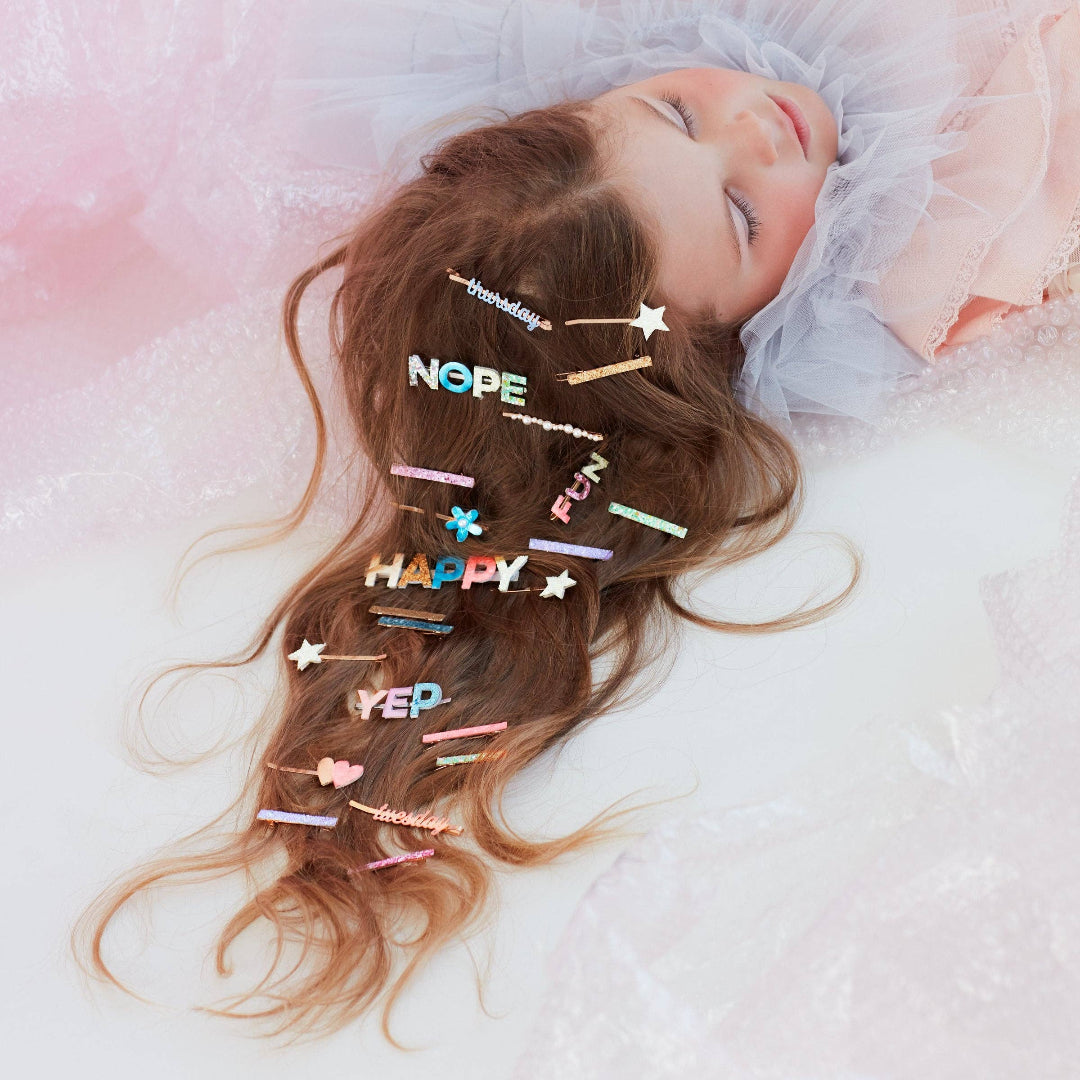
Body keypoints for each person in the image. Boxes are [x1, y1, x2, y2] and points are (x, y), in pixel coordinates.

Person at [72, 0, 1080, 1043]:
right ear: (728, 348)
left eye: (678, 111)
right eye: (742, 214)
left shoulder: (694, 32)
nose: (757, 124)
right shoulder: (948, 251)